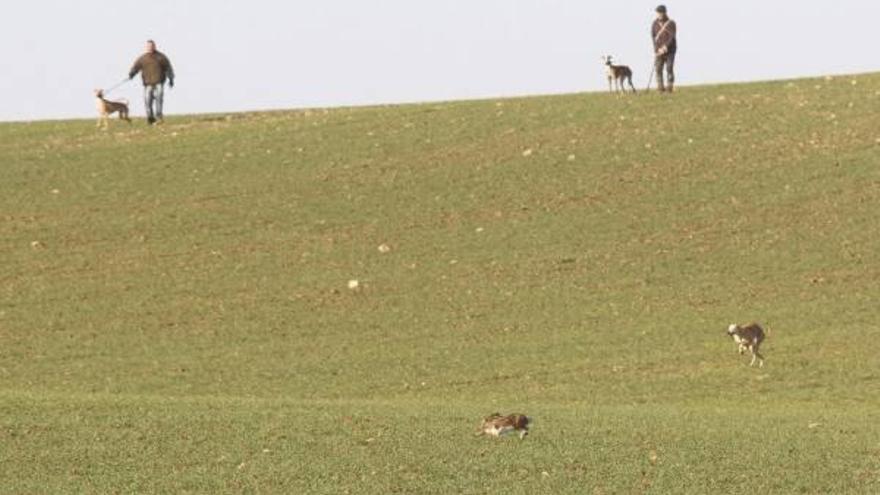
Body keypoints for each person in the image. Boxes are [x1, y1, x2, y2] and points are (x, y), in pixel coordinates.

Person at [128, 40, 175, 124]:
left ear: (155, 46)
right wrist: (131, 74)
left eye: (152, 46)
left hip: (159, 82)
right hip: (148, 84)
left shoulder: (161, 57)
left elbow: (168, 68)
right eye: (148, 46)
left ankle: (159, 117)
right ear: (146, 47)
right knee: (147, 101)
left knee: (159, 100)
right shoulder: (142, 58)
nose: (150, 47)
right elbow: (135, 67)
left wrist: (171, 79)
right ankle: (150, 118)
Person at [652, 5, 677, 92]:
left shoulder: (671, 23)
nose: (658, 15)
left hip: (670, 51)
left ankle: (670, 86)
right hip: (659, 51)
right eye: (657, 13)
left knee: (669, 68)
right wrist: (657, 49)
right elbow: (653, 37)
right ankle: (660, 87)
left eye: (660, 13)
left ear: (664, 13)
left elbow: (672, 37)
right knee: (658, 69)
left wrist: (665, 47)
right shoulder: (654, 24)